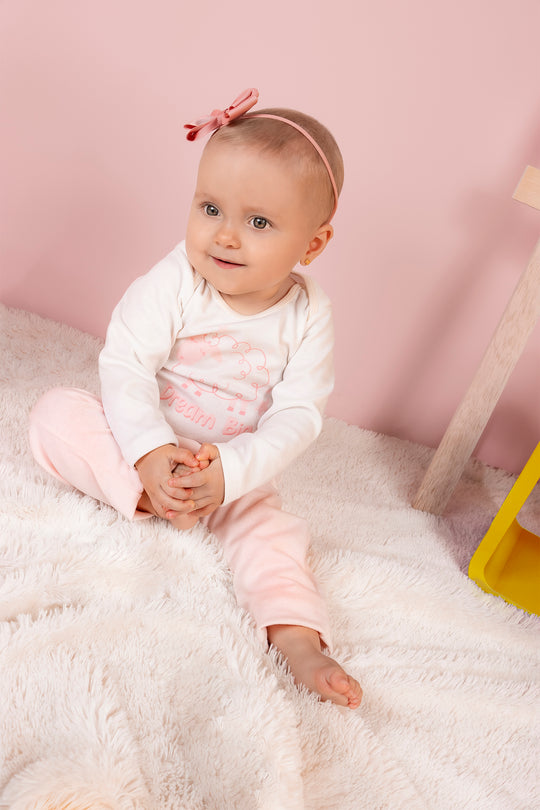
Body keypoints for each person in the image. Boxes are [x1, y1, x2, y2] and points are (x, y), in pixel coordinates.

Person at [29, 88, 363, 709]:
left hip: (229, 471)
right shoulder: (177, 278)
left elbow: (299, 415)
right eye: (211, 208)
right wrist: (149, 451)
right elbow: (126, 362)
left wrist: (232, 472)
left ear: (313, 245)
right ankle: (150, 495)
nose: (225, 236)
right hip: (144, 439)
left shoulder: (309, 314)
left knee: (274, 537)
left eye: (258, 223)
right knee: (55, 416)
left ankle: (297, 641)